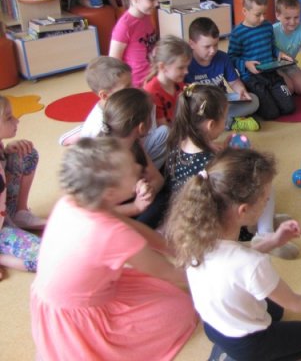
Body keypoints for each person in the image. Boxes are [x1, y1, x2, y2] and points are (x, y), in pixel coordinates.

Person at [165, 148, 301, 361]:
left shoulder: (196, 235)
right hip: (245, 343)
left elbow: (234, 262)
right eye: (266, 199)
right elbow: (297, 303)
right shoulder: (251, 264)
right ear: (243, 210)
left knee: (275, 311)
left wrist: (274, 241)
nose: (268, 202)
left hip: (214, 327)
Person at [31, 137, 197, 360]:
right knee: (181, 308)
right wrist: (206, 276)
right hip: (76, 317)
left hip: (61, 300)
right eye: (131, 168)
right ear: (110, 192)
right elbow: (166, 272)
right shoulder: (109, 234)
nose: (138, 167)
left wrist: (174, 249)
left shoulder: (73, 202)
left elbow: (137, 229)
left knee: (161, 290)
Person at [166, 83, 298, 259]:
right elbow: (235, 182)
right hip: (224, 227)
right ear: (211, 125)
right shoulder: (211, 162)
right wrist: (242, 156)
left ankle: (260, 223)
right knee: (263, 179)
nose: (226, 122)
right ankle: (264, 233)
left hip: (196, 222)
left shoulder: (179, 145)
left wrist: (220, 148)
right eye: (225, 118)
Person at [58, 56, 168, 169]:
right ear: (105, 95)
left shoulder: (122, 104)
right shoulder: (98, 128)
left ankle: (77, 132)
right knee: (164, 133)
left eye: (131, 83)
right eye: (127, 87)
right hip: (115, 162)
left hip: (128, 147)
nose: (133, 89)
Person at [101, 88, 168, 227]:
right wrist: (135, 207)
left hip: (132, 201)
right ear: (142, 127)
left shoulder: (134, 144)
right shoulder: (105, 158)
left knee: (167, 192)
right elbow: (99, 210)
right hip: (111, 216)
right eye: (151, 117)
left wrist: (148, 191)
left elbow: (157, 179)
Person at [228, 0, 296, 120]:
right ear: (245, 11)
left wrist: (279, 54)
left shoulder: (267, 26)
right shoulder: (237, 33)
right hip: (252, 78)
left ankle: (268, 96)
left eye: (264, 13)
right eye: (258, 14)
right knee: (271, 114)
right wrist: (246, 64)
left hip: (271, 73)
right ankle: (252, 94)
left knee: (289, 108)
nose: (263, 18)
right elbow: (231, 58)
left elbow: (272, 46)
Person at [185, 17, 260, 132]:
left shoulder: (223, 57)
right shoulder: (186, 63)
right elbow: (186, 96)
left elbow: (234, 82)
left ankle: (220, 122)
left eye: (216, 45)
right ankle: (230, 122)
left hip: (222, 101)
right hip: (200, 106)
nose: (213, 51)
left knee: (254, 101)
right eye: (207, 47)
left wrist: (241, 91)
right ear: (192, 44)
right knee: (191, 113)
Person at [0, 96, 41, 280]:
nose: (16, 120)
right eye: (8, 118)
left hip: (3, 214)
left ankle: (19, 213)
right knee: (49, 257)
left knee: (26, 153)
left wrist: (6, 151)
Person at [109, 0, 162, 87]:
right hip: (136, 85)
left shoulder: (147, 15)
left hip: (151, 78)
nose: (156, 3)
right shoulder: (125, 25)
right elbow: (113, 63)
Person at [143, 35, 192, 126]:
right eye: (181, 68)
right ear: (162, 67)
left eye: (187, 67)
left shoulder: (179, 84)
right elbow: (164, 128)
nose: (186, 72)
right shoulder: (152, 91)